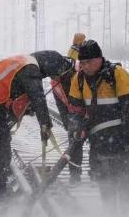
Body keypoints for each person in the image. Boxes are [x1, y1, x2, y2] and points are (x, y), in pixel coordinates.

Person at [0, 50, 72, 205]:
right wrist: (45, 124)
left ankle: (0, 195)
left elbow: (11, 87)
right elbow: (38, 97)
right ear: (49, 65)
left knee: (0, 156)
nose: (52, 76)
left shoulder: (19, 61)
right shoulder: (31, 69)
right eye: (54, 72)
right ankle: (0, 201)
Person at [68, 39, 129, 215]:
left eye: (88, 62)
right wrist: (77, 127)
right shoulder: (78, 80)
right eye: (82, 63)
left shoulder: (117, 75)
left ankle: (128, 212)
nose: (84, 66)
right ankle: (109, 212)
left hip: (121, 137)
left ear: (99, 59)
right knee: (104, 181)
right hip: (98, 140)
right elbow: (75, 110)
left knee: (125, 182)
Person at [52, 33, 87, 184]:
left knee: (75, 141)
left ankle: (75, 175)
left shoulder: (70, 56)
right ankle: (77, 175)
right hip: (75, 105)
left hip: (70, 105)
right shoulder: (80, 63)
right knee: (77, 141)